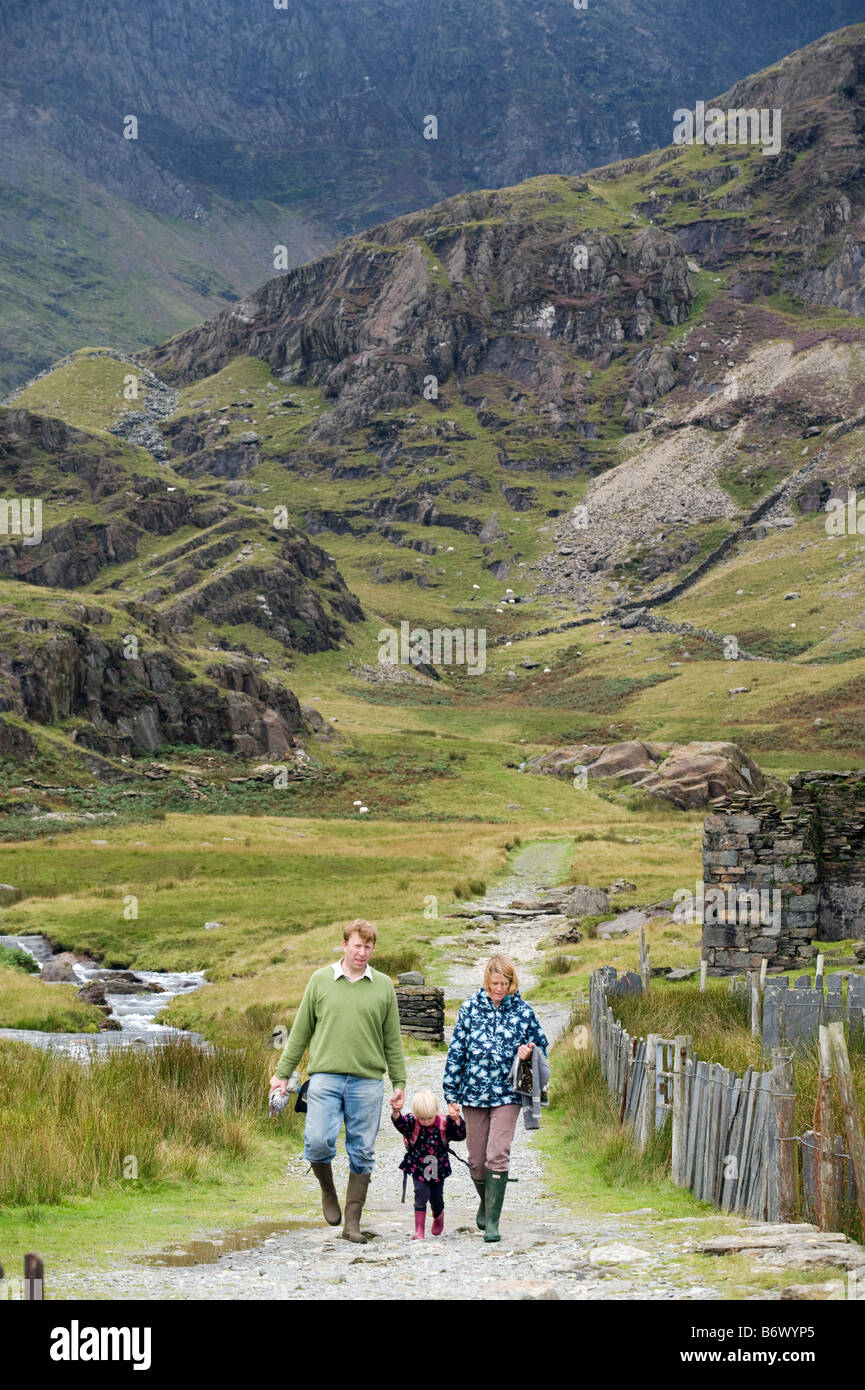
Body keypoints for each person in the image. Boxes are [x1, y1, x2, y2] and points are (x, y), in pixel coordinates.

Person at [269, 919, 406, 1245]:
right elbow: (300, 1032)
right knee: (317, 1141)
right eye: (357, 946)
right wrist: (281, 1073)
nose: (362, 952)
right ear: (344, 945)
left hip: (367, 1082)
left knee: (362, 1152)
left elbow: (393, 1040)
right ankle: (328, 1191)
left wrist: (399, 1081)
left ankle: (352, 1223)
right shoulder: (320, 981)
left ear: (373, 949)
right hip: (324, 1078)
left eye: (368, 947)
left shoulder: (383, 985)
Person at [442, 953, 548, 1243]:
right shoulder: (469, 1009)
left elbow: (542, 1046)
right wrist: (450, 1093)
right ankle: (486, 1202)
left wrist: (529, 1052)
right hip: (472, 1094)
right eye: (494, 983)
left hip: (507, 1094)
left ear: (512, 982)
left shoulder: (523, 1011)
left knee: (497, 1154)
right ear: (486, 981)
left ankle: (493, 1223)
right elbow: (457, 1052)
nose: (499, 988)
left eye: (504, 983)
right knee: (477, 1161)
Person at [390, 1087, 466, 1240]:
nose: (425, 1122)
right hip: (418, 1165)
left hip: (439, 1166)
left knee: (436, 1197)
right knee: (421, 1193)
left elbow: (460, 1135)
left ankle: (438, 1214)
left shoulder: (444, 1123)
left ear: (436, 1112)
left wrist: (457, 1119)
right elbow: (400, 1124)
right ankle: (419, 1230)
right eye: (422, 1118)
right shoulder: (413, 1123)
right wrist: (396, 1113)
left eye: (429, 1118)